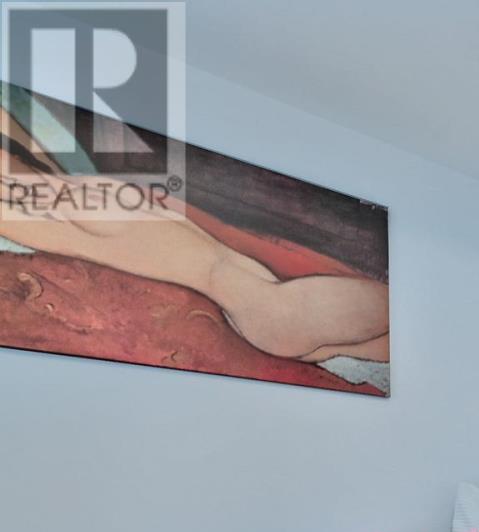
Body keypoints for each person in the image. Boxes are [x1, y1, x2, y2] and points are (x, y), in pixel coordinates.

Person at [0, 92, 389, 366]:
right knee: (411, 315)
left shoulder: (57, 202)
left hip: (262, 312)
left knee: (415, 343)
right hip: (270, 306)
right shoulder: (44, 207)